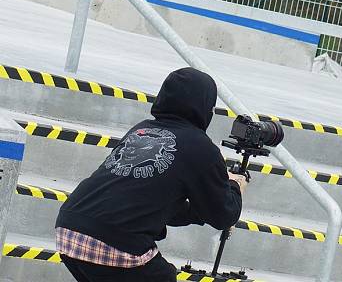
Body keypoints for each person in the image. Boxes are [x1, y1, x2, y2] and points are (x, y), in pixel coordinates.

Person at [55, 67, 250, 281]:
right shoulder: (201, 147)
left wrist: (197, 213)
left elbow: (166, 210)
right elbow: (224, 215)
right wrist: (234, 187)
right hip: (115, 240)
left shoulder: (141, 130)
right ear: (205, 107)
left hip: (70, 228)